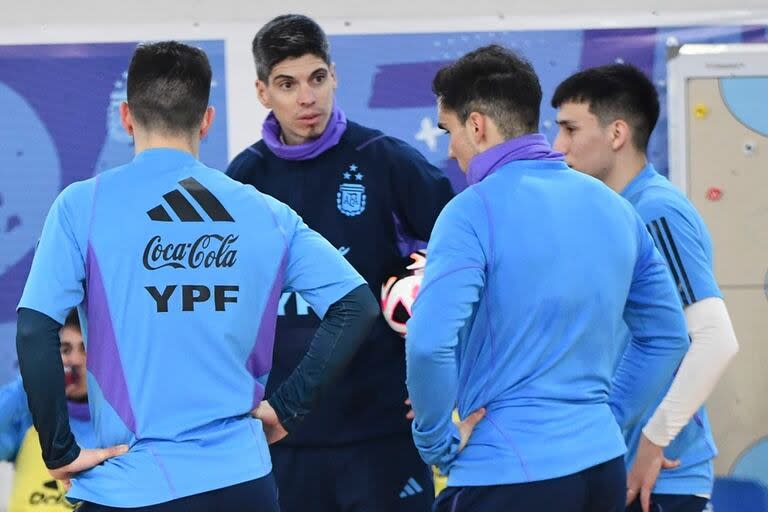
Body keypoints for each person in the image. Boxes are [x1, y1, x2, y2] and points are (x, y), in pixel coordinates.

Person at [15, 40, 378, 511]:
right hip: (242, 484)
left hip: (132, 483)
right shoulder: (267, 214)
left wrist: (58, 448)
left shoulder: (82, 206)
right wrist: (289, 406)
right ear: (207, 120)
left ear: (126, 117)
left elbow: (34, 327)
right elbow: (357, 305)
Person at [405, 44, 691, 512]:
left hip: (505, 476)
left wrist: (435, 442)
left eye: (449, 130)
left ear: (476, 125)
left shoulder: (470, 212)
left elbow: (427, 344)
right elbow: (668, 335)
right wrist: (609, 418)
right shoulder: (615, 208)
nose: (451, 148)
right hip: (599, 469)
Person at [227, 14, 454, 512]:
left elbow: (466, 268)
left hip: (382, 433)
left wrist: (451, 377)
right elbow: (227, 307)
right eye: (287, 84)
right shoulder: (243, 179)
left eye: (317, 78)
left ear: (334, 75)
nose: (307, 98)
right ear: (263, 92)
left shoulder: (387, 160)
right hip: (280, 436)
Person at [551, 63, 739, 512]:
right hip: (613, 468)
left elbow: (715, 340)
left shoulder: (655, 212)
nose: (559, 147)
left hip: (658, 480)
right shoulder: (613, 213)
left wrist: (654, 442)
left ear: (617, 134)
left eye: (570, 129)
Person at [1, 310, 94, 511]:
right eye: (65, 349)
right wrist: (31, 382)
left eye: (85, 349)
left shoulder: (118, 430)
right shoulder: (29, 420)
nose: (75, 361)